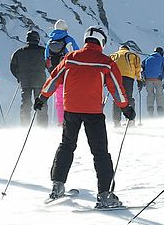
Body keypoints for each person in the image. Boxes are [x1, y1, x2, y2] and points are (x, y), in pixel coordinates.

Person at [35, 26, 134, 208]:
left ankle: (57, 186)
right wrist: (125, 108)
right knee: (100, 153)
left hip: (71, 110)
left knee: (66, 146)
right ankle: (104, 194)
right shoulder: (105, 62)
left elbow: (54, 79)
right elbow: (116, 88)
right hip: (93, 112)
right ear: (101, 41)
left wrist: (42, 98)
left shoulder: (71, 58)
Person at [9, 30, 48, 127]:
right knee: (41, 103)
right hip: (40, 81)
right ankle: (42, 126)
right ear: (37, 39)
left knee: (26, 104)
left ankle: (25, 125)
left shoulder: (19, 52)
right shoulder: (43, 51)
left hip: (25, 82)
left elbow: (13, 67)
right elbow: (49, 65)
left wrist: (19, 77)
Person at [45, 20, 79, 125]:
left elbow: (46, 58)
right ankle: (70, 121)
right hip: (68, 74)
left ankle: (61, 122)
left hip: (55, 74)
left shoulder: (49, 42)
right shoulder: (69, 40)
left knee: (59, 100)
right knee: (70, 98)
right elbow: (76, 54)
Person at [109, 42, 142, 127]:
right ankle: (130, 120)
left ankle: (116, 121)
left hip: (115, 78)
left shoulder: (113, 55)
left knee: (117, 98)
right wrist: (139, 80)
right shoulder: (133, 55)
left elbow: (108, 67)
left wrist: (107, 80)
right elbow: (138, 68)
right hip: (128, 77)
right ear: (127, 49)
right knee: (128, 98)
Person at [142, 46, 164, 115]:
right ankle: (160, 111)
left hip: (148, 80)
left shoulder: (147, 58)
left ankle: (150, 111)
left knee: (150, 95)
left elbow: (142, 68)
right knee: (159, 95)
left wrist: (143, 79)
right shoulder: (162, 59)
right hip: (158, 79)